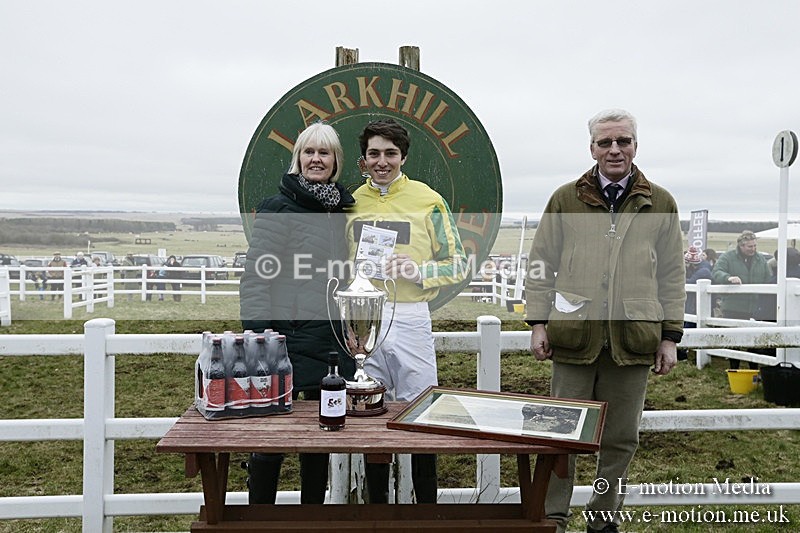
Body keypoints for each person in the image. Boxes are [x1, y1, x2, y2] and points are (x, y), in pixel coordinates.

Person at [525, 109, 685, 533]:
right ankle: (553, 518)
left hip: (634, 339)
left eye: (623, 141)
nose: (615, 150)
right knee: (561, 438)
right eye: (605, 143)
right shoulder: (565, 199)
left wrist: (669, 336)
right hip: (573, 338)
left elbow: (672, 275)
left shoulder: (661, 202)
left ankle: (602, 519)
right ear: (592, 148)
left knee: (619, 440)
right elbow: (540, 263)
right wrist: (539, 322)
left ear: (635, 144)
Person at [346, 118, 467, 504]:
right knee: (370, 412)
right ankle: (376, 512)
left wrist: (420, 270)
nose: (383, 162)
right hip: (365, 319)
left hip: (411, 315)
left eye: (391, 154)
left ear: (403, 157)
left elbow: (459, 263)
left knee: (423, 412)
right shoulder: (352, 202)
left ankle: (426, 511)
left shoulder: (428, 199)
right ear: (363, 160)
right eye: (374, 154)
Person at [239, 122, 356, 505]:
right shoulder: (279, 207)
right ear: (298, 158)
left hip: (328, 339)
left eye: (324, 153)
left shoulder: (338, 209)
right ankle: (259, 520)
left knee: (320, 436)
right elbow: (256, 277)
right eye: (309, 152)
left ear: (335, 161)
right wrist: (260, 336)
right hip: (284, 338)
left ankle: (312, 517)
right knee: (270, 438)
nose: (316, 159)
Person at [711, 230, 772, 369]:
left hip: (755, 308)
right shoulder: (728, 257)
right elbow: (716, 272)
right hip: (734, 307)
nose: (753, 249)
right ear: (741, 246)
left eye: (755, 246)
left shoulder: (760, 259)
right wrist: (728, 278)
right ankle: (734, 369)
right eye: (750, 246)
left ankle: (753, 370)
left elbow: (768, 278)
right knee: (735, 339)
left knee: (754, 340)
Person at [678, 246, 712, 361]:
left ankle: (684, 354)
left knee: (688, 328)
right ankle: (686, 354)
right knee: (687, 326)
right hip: (692, 304)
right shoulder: (700, 269)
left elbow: (689, 282)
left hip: (696, 305)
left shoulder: (703, 271)